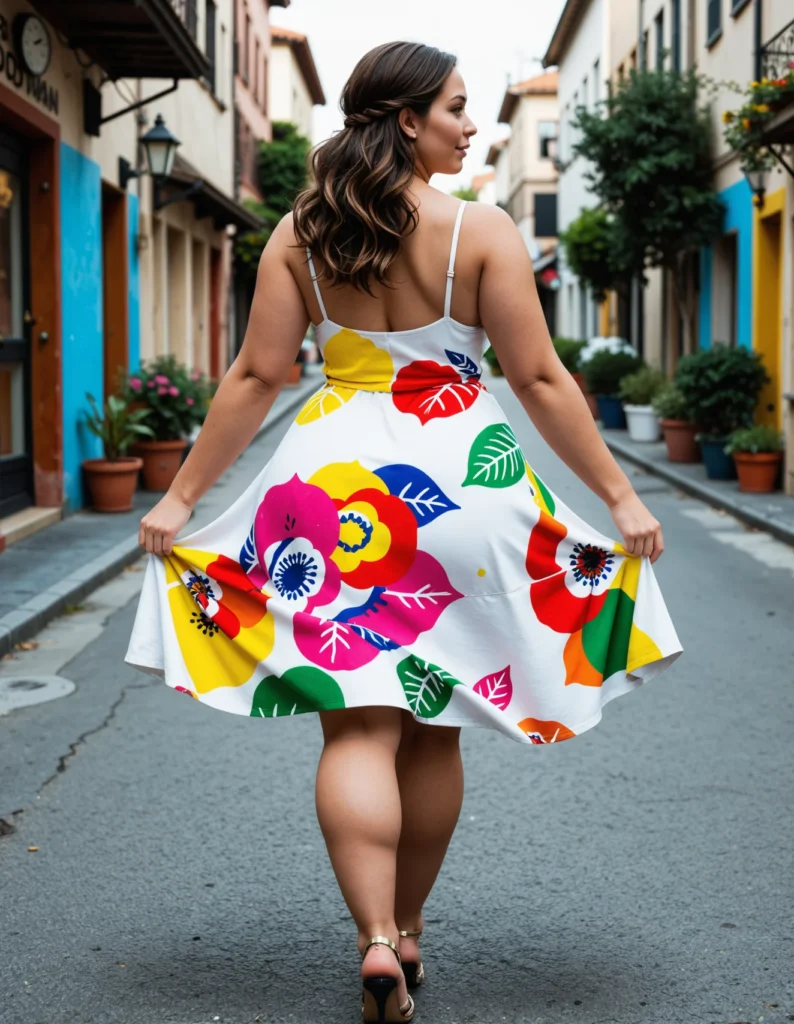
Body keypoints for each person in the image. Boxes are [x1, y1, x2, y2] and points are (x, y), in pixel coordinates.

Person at [126, 41, 682, 1024]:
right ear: (408, 118)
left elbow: (254, 379)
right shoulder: (481, 230)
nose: (471, 127)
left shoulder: (300, 231)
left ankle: (375, 936)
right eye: (458, 109)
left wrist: (177, 500)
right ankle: (411, 925)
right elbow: (541, 379)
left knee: (353, 722)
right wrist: (617, 499)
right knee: (432, 728)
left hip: (327, 489)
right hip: (461, 484)